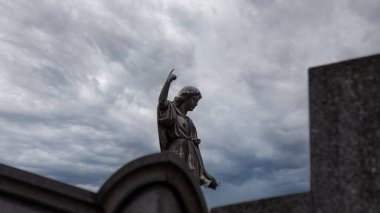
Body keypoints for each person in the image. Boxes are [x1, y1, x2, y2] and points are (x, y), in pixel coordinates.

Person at [157, 69, 218, 189]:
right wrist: (168, 82)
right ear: (186, 97)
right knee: (175, 184)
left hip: (192, 157)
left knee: (191, 187)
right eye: (195, 100)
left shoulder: (191, 123)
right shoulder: (172, 111)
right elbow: (161, 103)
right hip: (176, 153)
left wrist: (205, 172)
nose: (196, 104)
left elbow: (196, 147)